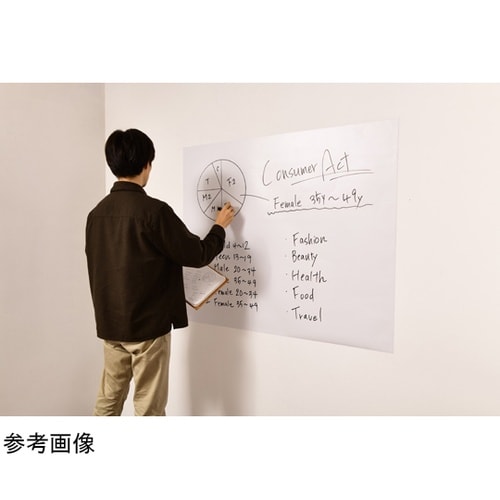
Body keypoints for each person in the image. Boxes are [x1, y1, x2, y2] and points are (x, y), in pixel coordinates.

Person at [85, 128, 234, 416]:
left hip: (111, 325)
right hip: (148, 329)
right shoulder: (154, 212)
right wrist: (219, 227)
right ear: (146, 165)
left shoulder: (96, 214)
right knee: (149, 409)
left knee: (108, 402)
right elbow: (197, 254)